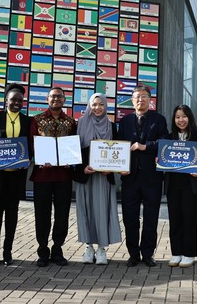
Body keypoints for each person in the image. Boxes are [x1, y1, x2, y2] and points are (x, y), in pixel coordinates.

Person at [117, 85, 169, 267]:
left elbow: (164, 142)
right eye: (137, 97)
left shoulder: (159, 120)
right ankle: (133, 254)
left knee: (151, 217)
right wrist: (119, 167)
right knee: (130, 217)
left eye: (144, 96)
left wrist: (144, 146)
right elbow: (118, 146)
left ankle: (148, 254)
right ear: (132, 101)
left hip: (152, 177)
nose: (141, 100)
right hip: (129, 176)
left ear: (150, 100)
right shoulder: (125, 121)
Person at [0, 84, 31, 266]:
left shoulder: (27, 121)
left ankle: (8, 252)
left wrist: (27, 159)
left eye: (20, 100)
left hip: (16, 177)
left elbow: (30, 146)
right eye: (13, 99)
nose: (16, 102)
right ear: (6, 101)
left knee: (12, 215)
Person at [29, 87, 77, 267]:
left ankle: (57, 249)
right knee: (42, 213)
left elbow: (74, 145)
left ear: (64, 99)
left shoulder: (72, 122)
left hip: (63, 175)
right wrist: (42, 157)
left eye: (59, 96)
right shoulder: (37, 120)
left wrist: (70, 160)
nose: (56, 99)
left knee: (62, 214)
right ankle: (42, 250)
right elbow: (32, 142)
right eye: (53, 96)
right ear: (47, 99)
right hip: (42, 175)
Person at [74, 93, 122, 266]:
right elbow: (73, 152)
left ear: (106, 106)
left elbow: (118, 153)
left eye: (101, 104)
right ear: (89, 106)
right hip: (86, 176)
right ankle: (88, 247)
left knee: (103, 212)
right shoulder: (79, 124)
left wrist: (111, 168)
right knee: (86, 211)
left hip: (103, 178)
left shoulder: (111, 127)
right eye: (94, 104)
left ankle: (102, 249)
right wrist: (82, 168)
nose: (97, 108)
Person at [165, 105, 197, 268]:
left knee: (190, 219)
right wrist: (160, 160)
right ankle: (176, 253)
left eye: (184, 116)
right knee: (175, 219)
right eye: (177, 117)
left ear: (190, 118)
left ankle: (189, 253)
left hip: (191, 185)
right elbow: (163, 158)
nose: (180, 120)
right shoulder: (168, 138)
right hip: (173, 184)